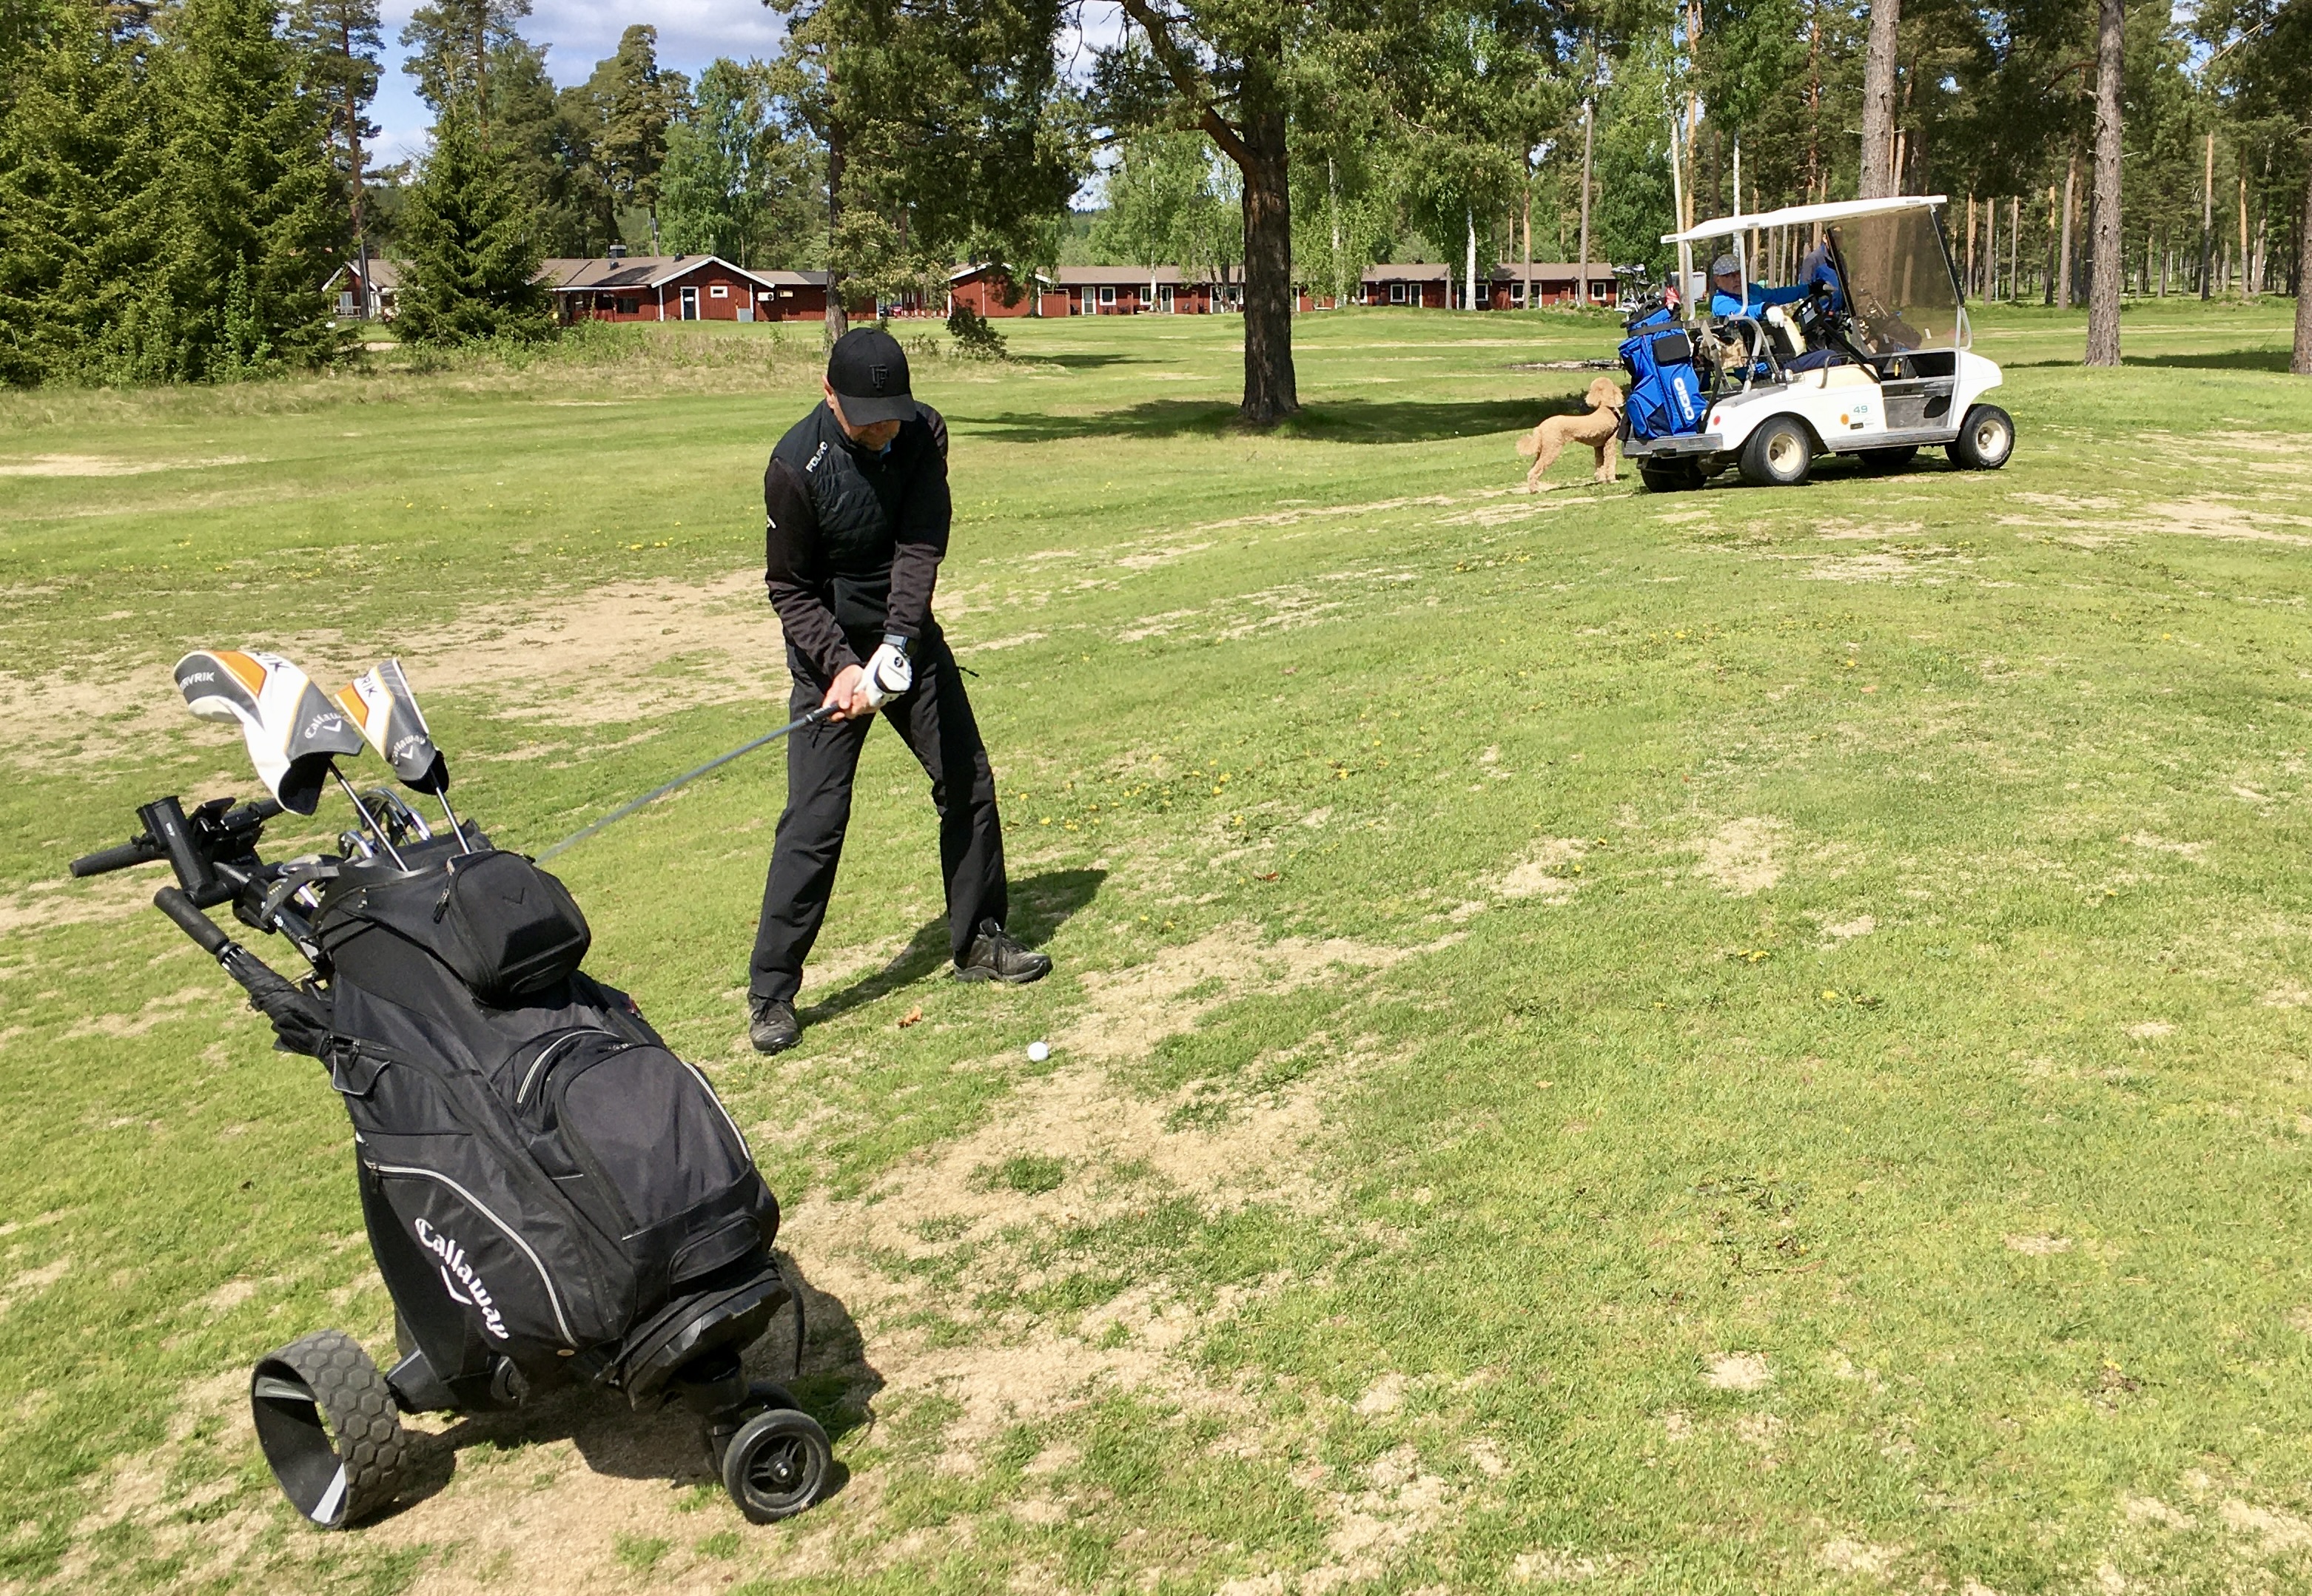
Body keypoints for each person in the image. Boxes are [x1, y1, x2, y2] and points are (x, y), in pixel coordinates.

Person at [746, 327, 1050, 1055]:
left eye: (891, 412)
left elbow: (920, 544)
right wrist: (842, 668)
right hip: (828, 659)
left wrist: (896, 644)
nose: (882, 428)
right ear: (829, 395)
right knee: (815, 821)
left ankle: (980, 940)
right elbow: (788, 589)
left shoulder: (922, 436)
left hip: (904, 639)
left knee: (967, 778)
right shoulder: (795, 466)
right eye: (866, 415)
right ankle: (770, 995)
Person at [1707, 252, 1808, 320]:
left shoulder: (1751, 290)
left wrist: (1808, 289)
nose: (1738, 279)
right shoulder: (1720, 302)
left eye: (1740, 273)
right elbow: (1741, 313)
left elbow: (1776, 295)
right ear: (1718, 280)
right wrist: (1764, 308)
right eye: (1730, 275)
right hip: (1744, 348)